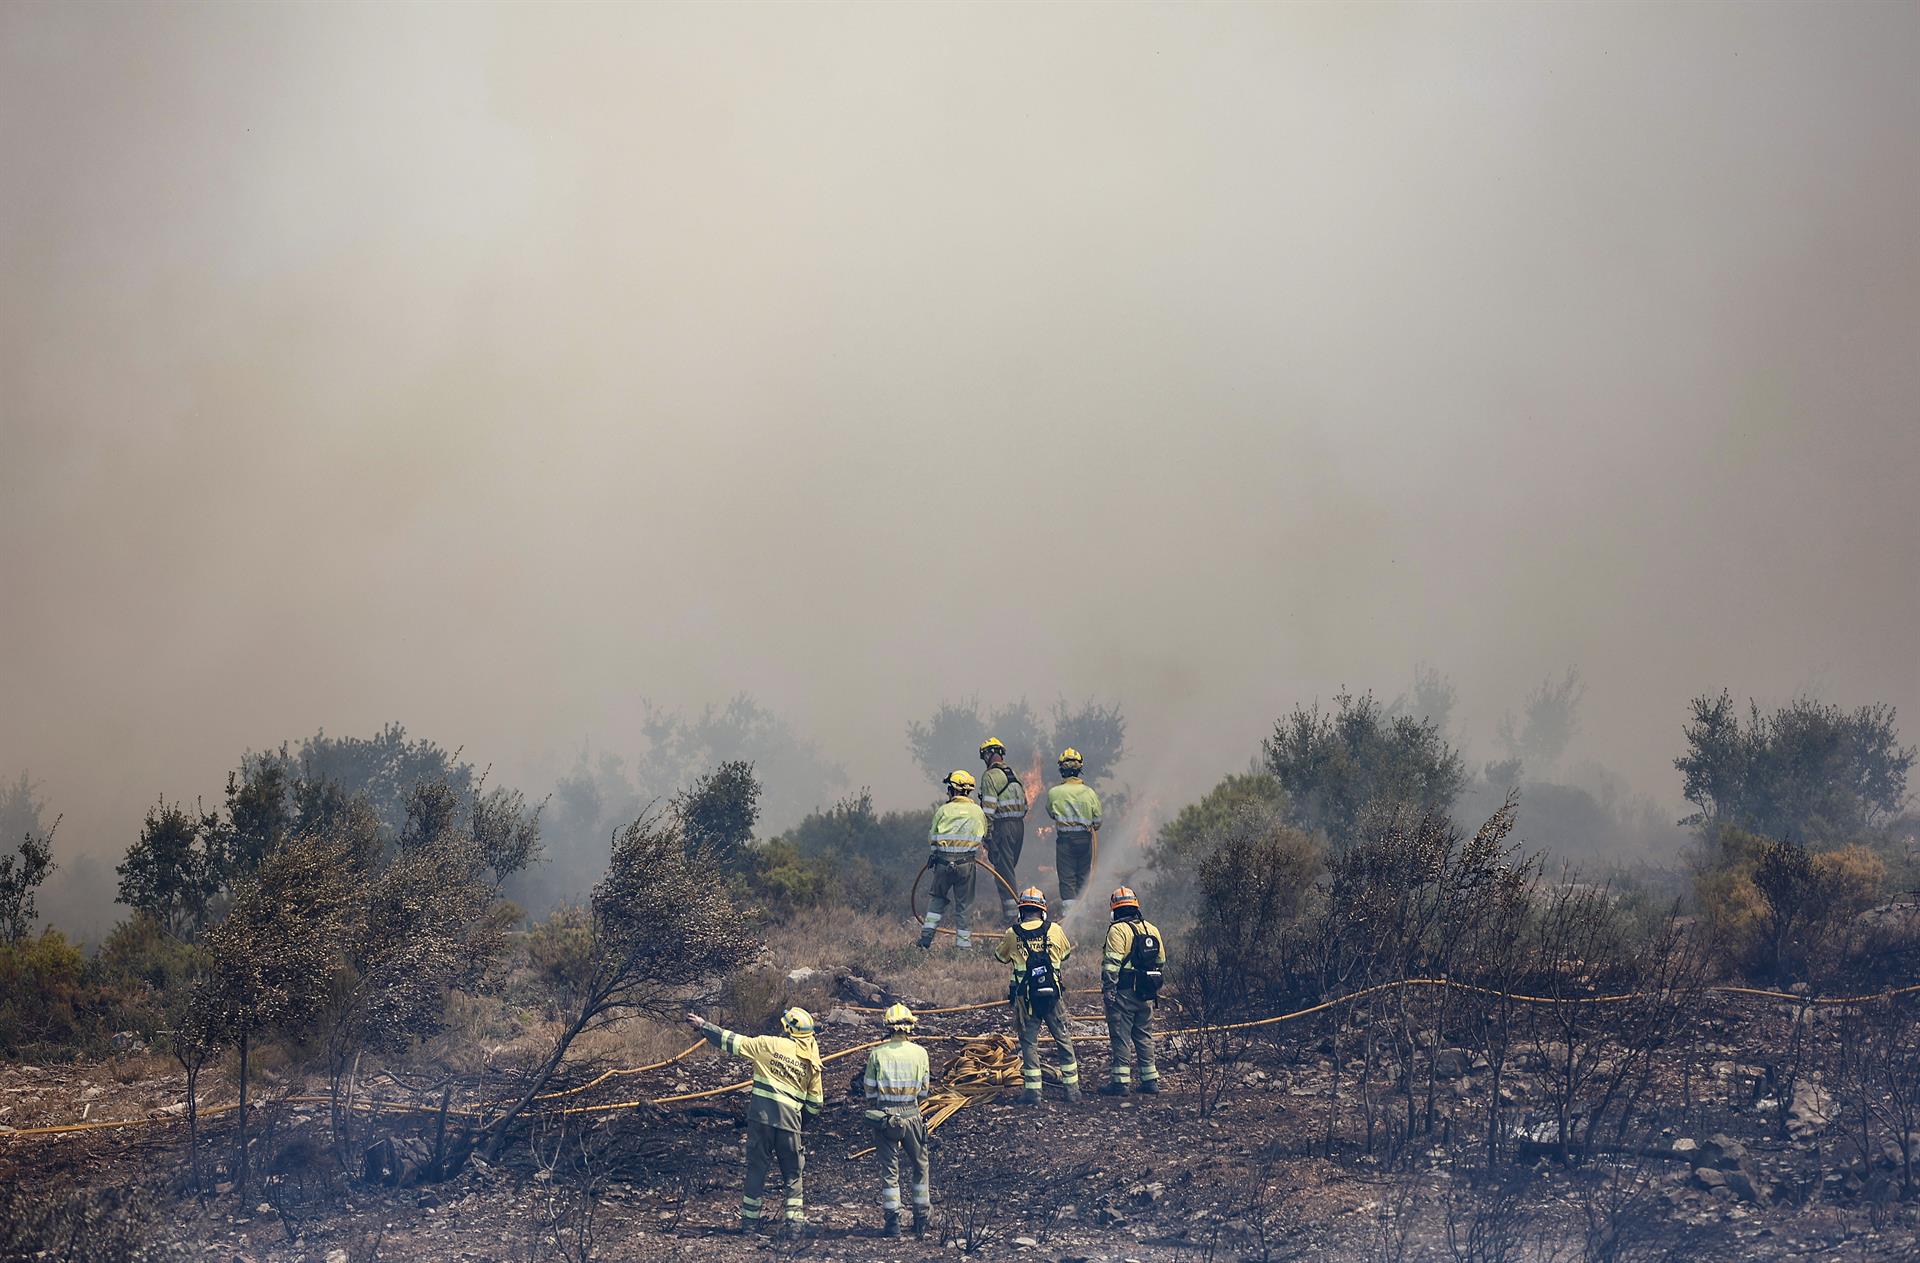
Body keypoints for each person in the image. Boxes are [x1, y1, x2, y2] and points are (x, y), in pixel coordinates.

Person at [685, 1006, 824, 1234]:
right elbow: (816, 1104)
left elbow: (732, 1041)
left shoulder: (767, 1044)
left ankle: (749, 1225)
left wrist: (703, 1026)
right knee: (793, 1175)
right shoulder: (812, 1061)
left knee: (756, 1170)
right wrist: (799, 1123)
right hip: (790, 1124)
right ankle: (795, 1227)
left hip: (760, 1120)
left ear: (787, 1028)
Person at [994, 886, 1081, 1104]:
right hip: (1053, 997)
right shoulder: (1056, 930)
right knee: (1063, 1039)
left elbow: (1000, 956)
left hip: (1026, 1000)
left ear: (1021, 911)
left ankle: (1033, 1092)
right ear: (1043, 910)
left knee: (1029, 1043)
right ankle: (1072, 1090)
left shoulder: (1012, 933)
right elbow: (1066, 954)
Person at [862, 1003, 932, 1238]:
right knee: (920, 1166)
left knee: (890, 1171)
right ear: (910, 1026)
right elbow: (924, 1092)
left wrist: (883, 1104)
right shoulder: (921, 1053)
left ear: (888, 1027)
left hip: (885, 1118)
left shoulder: (877, 1054)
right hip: (912, 1115)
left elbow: (870, 1091)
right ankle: (921, 1220)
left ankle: (892, 1224)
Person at [1098, 887, 1166, 1096]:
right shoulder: (1151, 929)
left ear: (1114, 910)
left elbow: (1111, 965)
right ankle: (1150, 1081)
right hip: (1146, 993)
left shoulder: (1117, 930)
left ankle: (1120, 1084)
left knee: (1121, 1036)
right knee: (1144, 1036)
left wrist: (1109, 991)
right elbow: (1161, 961)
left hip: (1124, 993)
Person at [920, 769, 988, 949]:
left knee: (937, 899)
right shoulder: (978, 811)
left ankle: (925, 940)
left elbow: (932, 837)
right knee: (964, 906)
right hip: (966, 865)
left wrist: (936, 853)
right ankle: (963, 947)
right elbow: (984, 834)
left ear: (954, 789)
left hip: (942, 863)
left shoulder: (943, 810)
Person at [1044, 748, 1103, 917]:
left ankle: (1069, 917)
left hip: (1065, 841)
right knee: (1083, 878)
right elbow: (1098, 822)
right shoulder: (1090, 793)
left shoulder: (1054, 793)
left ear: (1062, 769)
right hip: (1085, 840)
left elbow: (1051, 813)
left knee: (1067, 879)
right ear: (1079, 769)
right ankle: (1082, 916)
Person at [977, 737, 1029, 924]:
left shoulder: (989, 776)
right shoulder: (1014, 774)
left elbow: (988, 810)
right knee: (1008, 870)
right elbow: (1025, 805)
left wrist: (986, 835)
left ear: (988, 755)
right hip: (1019, 826)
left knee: (1004, 874)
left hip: (1003, 827)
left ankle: (1013, 918)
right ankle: (1014, 913)